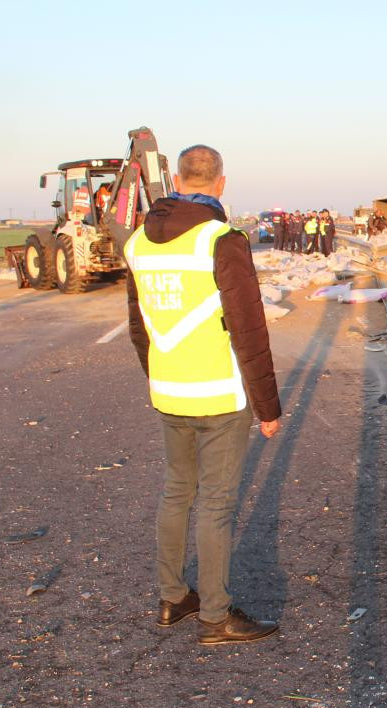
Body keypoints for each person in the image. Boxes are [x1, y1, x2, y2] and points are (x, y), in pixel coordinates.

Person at [125, 144, 283, 645]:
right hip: (218, 393)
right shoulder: (221, 239)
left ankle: (173, 598)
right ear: (220, 183)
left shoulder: (138, 243)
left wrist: (158, 374)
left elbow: (139, 325)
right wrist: (268, 408)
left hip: (168, 390)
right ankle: (216, 615)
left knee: (176, 493)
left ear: (175, 178)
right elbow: (248, 329)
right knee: (215, 505)